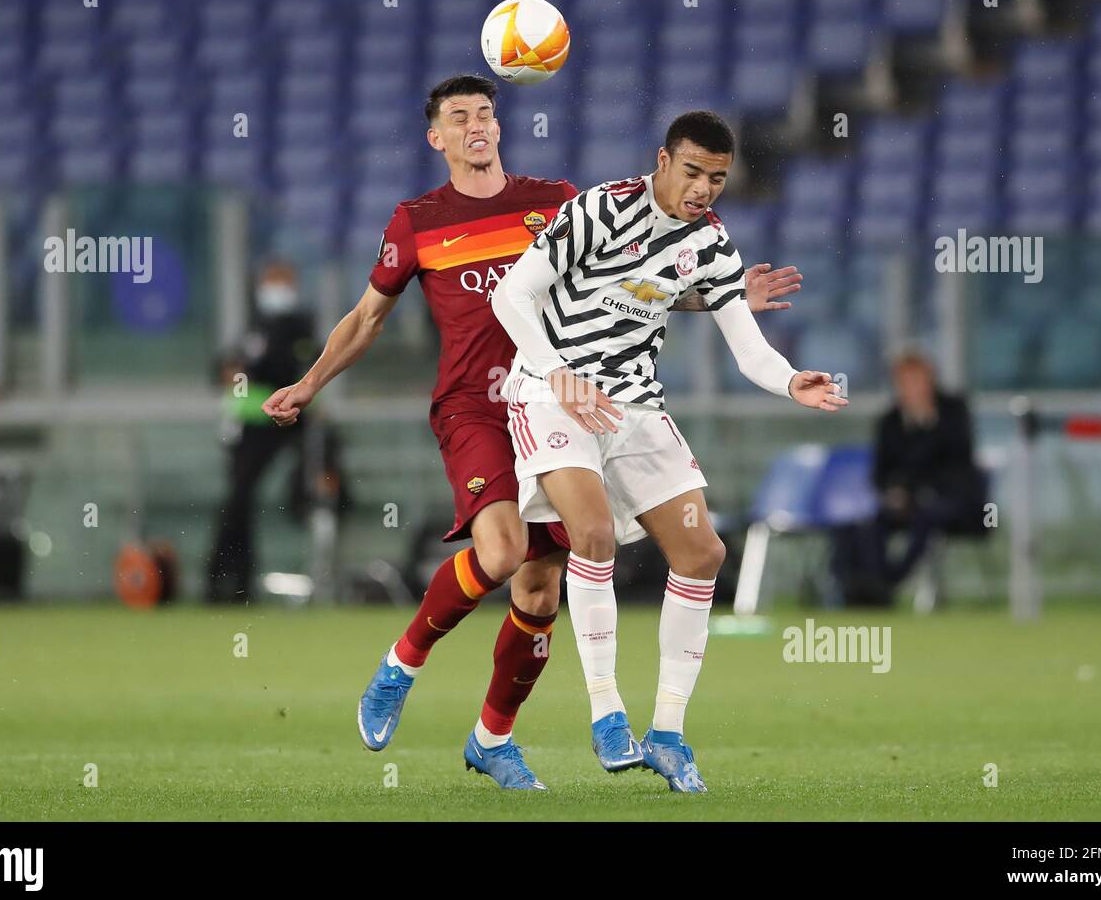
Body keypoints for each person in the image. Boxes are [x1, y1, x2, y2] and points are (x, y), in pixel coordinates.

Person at [261, 76, 801, 789]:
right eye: (459, 117)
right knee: (504, 548)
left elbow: (628, 287)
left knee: (541, 591)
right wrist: (308, 384)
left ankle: (493, 737)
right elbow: (367, 319)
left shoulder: (555, 203)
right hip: (477, 406)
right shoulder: (418, 220)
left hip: (567, 404)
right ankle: (403, 663)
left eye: (485, 112)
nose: (476, 125)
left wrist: (721, 295)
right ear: (438, 138)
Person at [491, 110, 846, 793]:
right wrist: (556, 370)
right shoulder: (597, 210)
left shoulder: (711, 244)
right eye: (692, 172)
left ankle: (668, 734)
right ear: (662, 160)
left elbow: (749, 350)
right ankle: (607, 716)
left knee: (703, 552)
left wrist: (789, 380)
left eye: (717, 177)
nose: (704, 188)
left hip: (634, 408)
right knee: (590, 532)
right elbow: (513, 295)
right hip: (550, 395)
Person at [207, 260, 345, 603]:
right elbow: (228, 369)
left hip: (294, 417)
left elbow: (303, 368)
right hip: (254, 422)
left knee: (318, 478)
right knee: (238, 500)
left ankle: (305, 522)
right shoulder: (256, 327)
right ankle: (229, 579)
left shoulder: (299, 327)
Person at [870, 350, 986, 593]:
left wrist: (925, 425)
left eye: (917, 380)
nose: (911, 389)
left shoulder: (953, 412)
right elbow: (880, 472)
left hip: (954, 500)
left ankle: (890, 582)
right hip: (908, 499)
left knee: (926, 517)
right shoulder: (890, 421)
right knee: (872, 523)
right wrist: (894, 492)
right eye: (905, 382)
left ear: (930, 380)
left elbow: (958, 458)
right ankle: (870, 584)